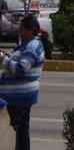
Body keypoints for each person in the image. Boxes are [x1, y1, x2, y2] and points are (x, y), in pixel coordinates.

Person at [0, 14, 45, 150]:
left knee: (20, 132)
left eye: (22, 28)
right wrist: (6, 56)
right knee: (20, 131)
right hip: (16, 97)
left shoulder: (32, 46)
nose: (19, 31)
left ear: (29, 30)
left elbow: (21, 69)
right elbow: (16, 58)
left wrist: (3, 59)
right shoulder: (25, 45)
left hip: (20, 98)